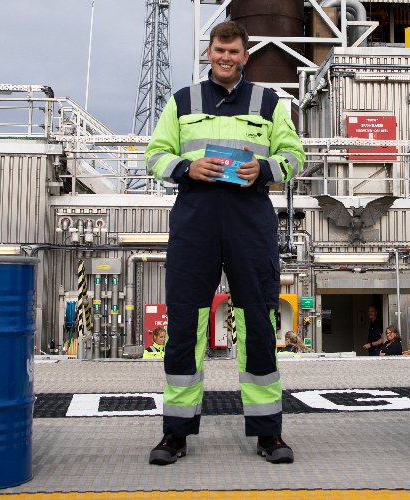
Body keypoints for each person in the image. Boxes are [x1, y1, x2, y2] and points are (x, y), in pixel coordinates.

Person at [143, 20, 305, 466]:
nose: (226, 58)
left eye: (233, 52)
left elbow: (295, 155)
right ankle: (174, 434)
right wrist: (185, 169)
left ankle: (268, 434)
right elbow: (155, 153)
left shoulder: (270, 103)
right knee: (183, 327)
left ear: (245, 55)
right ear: (208, 52)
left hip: (249, 223)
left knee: (258, 323)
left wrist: (267, 169)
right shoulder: (182, 101)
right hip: (196, 222)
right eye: (219, 50)